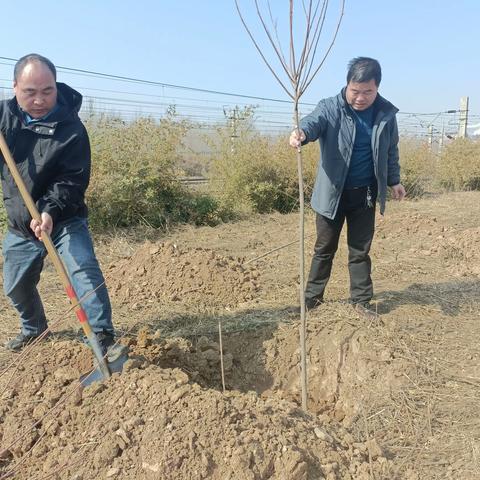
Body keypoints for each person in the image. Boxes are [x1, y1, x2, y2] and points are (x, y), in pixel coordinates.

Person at [0, 53, 116, 352]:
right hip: (20, 223)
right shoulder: (3, 119)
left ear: (56, 85)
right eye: (30, 92)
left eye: (47, 91)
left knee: (82, 269)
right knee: (16, 285)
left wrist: (49, 211)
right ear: (15, 88)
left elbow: (72, 180)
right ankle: (34, 329)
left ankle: (100, 336)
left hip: (64, 219)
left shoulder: (72, 129)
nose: (39, 100)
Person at [289, 57, 406, 317]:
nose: (361, 98)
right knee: (324, 249)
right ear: (347, 85)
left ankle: (361, 302)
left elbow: (391, 150)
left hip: (364, 194)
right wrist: (301, 133)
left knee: (360, 251)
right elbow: (313, 122)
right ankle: (311, 301)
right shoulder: (331, 107)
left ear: (377, 88)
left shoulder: (386, 114)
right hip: (332, 193)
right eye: (356, 91)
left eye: (368, 92)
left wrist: (394, 180)